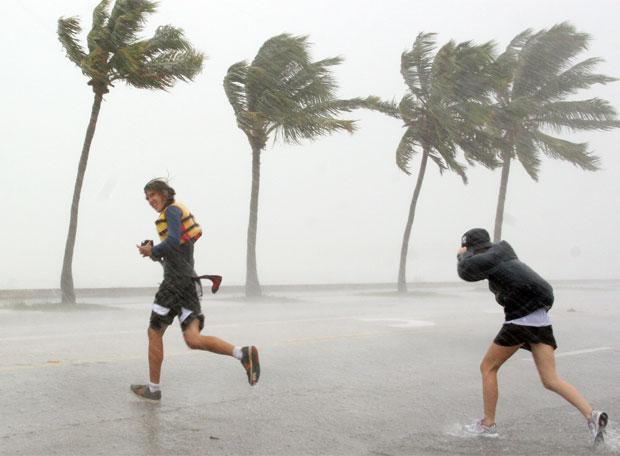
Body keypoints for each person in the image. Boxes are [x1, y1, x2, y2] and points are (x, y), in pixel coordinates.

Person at [456, 228, 607, 445]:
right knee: (550, 380)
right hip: (540, 318)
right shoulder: (502, 256)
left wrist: (462, 254)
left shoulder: (491, 256)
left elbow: (465, 272)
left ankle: (488, 425)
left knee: (488, 367)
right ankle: (591, 415)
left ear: (475, 249)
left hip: (521, 319)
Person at [131, 179, 260, 402]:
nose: (150, 200)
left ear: (164, 193)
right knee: (193, 339)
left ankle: (153, 388)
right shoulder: (177, 214)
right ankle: (242, 353)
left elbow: (171, 242)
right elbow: (175, 251)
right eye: (147, 198)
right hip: (189, 283)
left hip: (174, 284)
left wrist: (153, 249)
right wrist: (155, 253)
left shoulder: (172, 210)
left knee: (154, 332)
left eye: (153, 195)